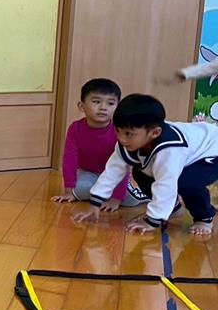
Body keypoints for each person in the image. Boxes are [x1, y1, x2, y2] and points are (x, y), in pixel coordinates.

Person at [72, 94, 218, 237]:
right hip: (190, 154)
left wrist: (152, 221)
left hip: (212, 152)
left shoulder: (170, 150)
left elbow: (166, 184)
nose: (122, 139)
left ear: (154, 133)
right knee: (140, 172)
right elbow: (112, 171)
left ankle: (204, 217)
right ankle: (173, 208)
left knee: (185, 181)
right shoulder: (127, 142)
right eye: (118, 131)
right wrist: (95, 203)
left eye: (129, 134)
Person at [52, 78, 148, 208]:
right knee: (80, 189)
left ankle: (143, 194)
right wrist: (68, 191)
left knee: (129, 201)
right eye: (96, 102)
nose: (103, 108)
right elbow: (69, 159)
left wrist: (116, 199)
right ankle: (101, 192)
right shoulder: (75, 129)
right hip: (88, 173)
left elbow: (123, 166)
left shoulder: (120, 131)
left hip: (114, 174)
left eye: (110, 103)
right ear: (82, 106)